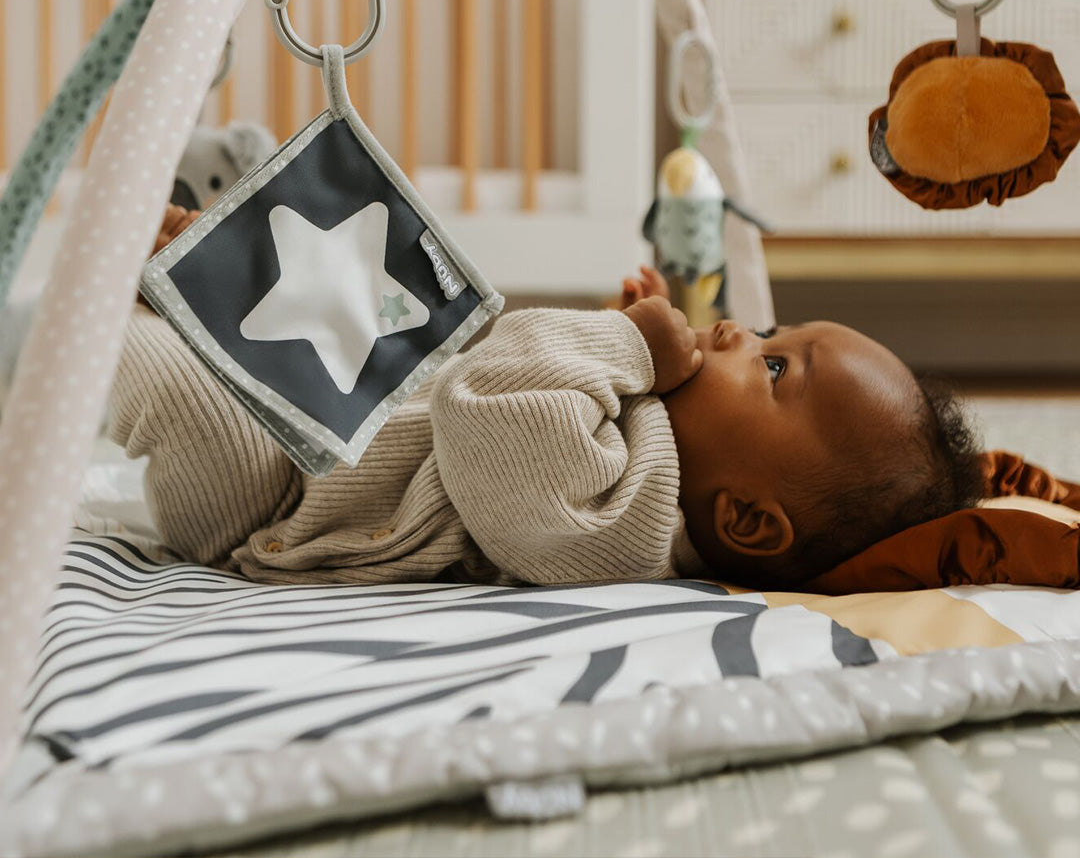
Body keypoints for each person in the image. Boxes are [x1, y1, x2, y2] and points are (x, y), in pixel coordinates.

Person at [107, 207, 983, 589]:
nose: (737, 335)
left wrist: (621, 344)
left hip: (283, 499)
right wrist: (613, 344)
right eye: (770, 331)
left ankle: (66, 341)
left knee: (172, 384)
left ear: (748, 520)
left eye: (776, 369)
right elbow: (508, 377)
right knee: (342, 281)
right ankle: (206, 276)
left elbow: (483, 406)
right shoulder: (651, 445)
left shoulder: (623, 522)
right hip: (341, 408)